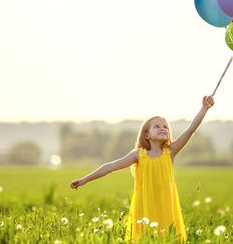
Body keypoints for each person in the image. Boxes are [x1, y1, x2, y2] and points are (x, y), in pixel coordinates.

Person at [69, 95, 215, 242]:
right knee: (144, 238)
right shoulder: (138, 155)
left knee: (167, 238)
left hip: (166, 206)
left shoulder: (170, 152)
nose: (162, 128)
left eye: (165, 127)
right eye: (157, 126)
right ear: (146, 134)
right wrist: (85, 179)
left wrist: (204, 108)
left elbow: (191, 129)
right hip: (144, 206)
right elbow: (111, 166)